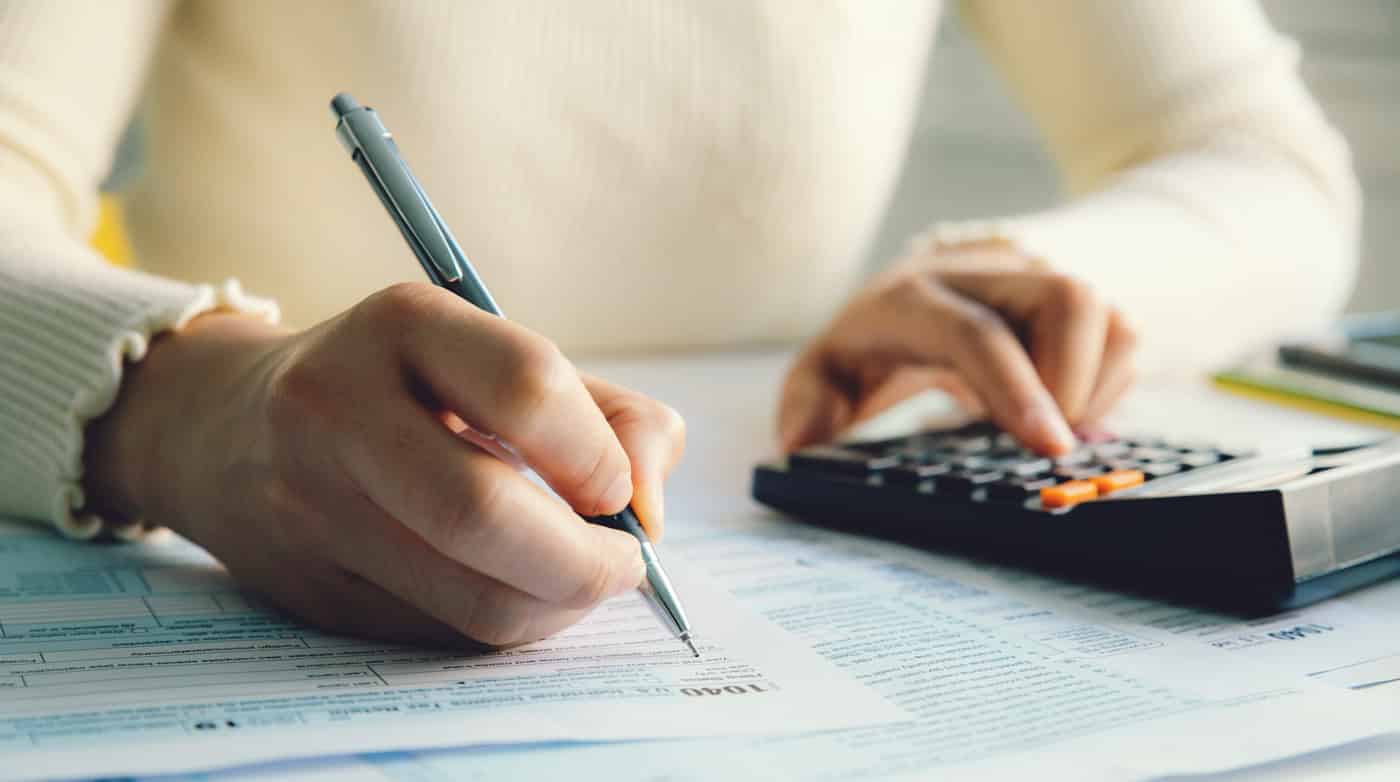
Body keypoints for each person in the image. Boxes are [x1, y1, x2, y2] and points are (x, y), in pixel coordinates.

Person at [0, 1, 1358, 647]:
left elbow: (1264, 164)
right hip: (209, 567)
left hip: (776, 524)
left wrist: (1033, 272)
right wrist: (188, 407)